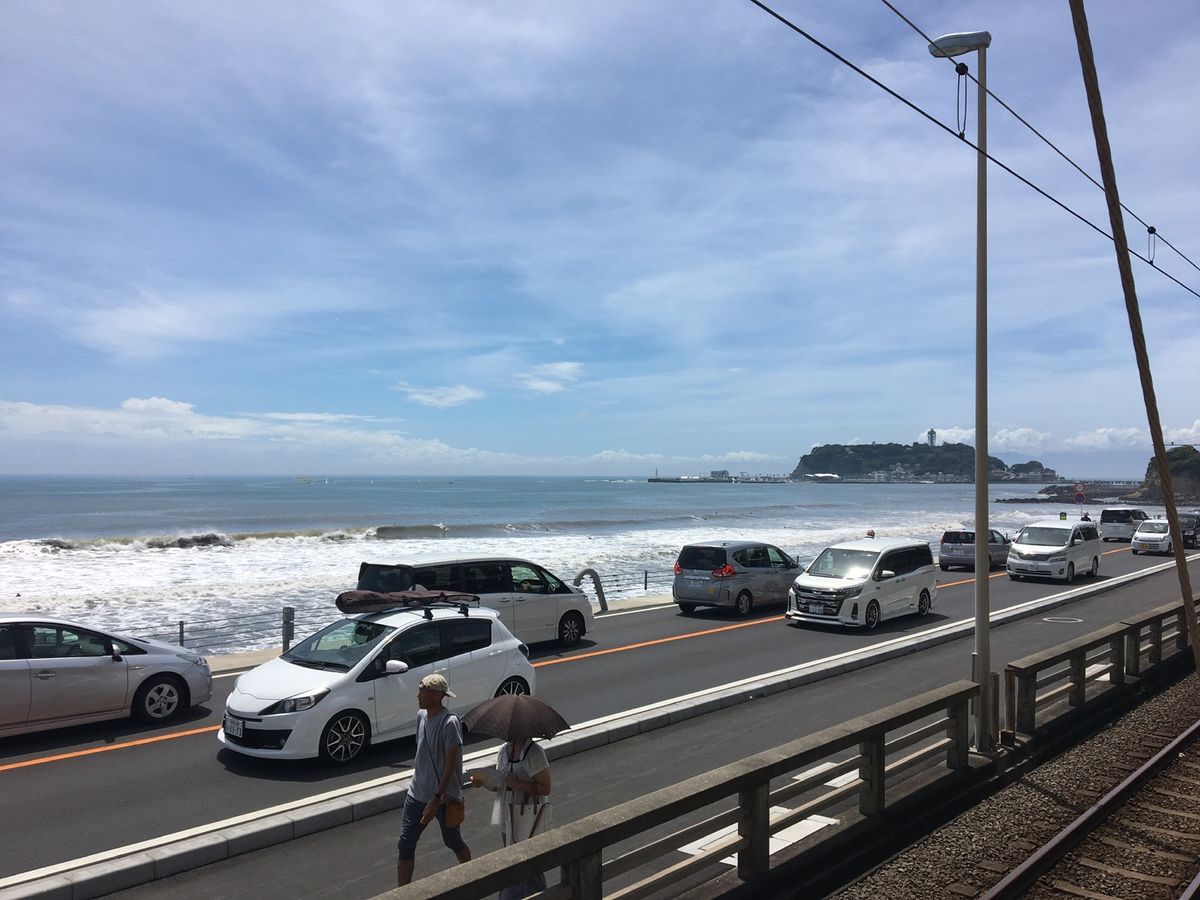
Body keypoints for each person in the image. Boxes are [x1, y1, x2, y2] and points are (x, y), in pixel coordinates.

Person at [396, 673, 471, 886]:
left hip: (443, 798)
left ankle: (474, 875)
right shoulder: (421, 716)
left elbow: (450, 764)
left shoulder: (449, 723)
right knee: (405, 843)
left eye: (423, 691)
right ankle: (403, 893)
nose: (418, 695)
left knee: (452, 840)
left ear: (437, 695)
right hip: (417, 793)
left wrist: (436, 798)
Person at [470, 737, 552, 900]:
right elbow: (502, 785)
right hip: (508, 819)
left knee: (522, 868)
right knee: (529, 872)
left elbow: (545, 788)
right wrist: (484, 782)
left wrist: (519, 783)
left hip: (529, 819)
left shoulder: (535, 753)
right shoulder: (503, 751)